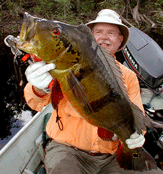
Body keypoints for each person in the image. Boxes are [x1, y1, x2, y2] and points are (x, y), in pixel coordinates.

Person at [24, 9, 148, 174]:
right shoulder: (63, 63)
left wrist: (134, 136)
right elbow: (36, 103)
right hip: (66, 151)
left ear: (120, 40)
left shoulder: (129, 77)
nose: (104, 37)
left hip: (109, 156)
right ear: (89, 36)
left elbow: (137, 117)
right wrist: (39, 86)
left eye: (111, 32)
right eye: (99, 32)